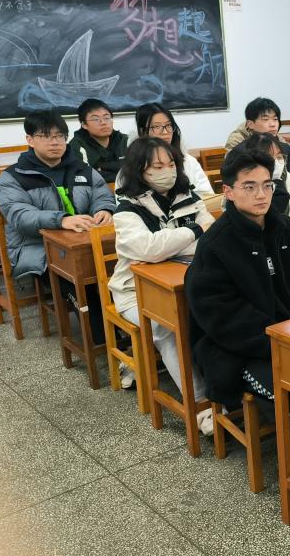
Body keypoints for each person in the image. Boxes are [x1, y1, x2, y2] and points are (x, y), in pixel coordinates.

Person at [184, 146, 290, 527]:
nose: (261, 195)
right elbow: (221, 318)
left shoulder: (288, 229)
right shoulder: (215, 246)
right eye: (249, 186)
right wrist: (281, 342)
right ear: (228, 191)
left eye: (267, 185)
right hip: (241, 350)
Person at [109, 137, 215, 433]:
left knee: (217, 313)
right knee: (165, 326)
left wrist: (173, 243)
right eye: (156, 166)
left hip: (186, 280)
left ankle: (225, 391)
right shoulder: (127, 208)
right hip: (134, 292)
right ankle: (201, 405)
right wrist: (193, 231)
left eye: (170, 164)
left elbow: (212, 236)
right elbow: (148, 248)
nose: (166, 171)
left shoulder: (188, 195)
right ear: (139, 170)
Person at [0, 109, 116, 343]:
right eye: (46, 136)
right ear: (30, 140)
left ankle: (132, 331)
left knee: (120, 269)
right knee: (79, 282)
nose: (55, 142)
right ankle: (106, 342)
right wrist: (61, 220)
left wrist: (104, 209)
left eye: (60, 136)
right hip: (39, 249)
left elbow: (102, 193)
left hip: (87, 241)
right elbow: (20, 216)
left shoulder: (82, 168)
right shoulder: (13, 177)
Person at [224, 97, 290, 184]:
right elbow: (236, 171)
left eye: (275, 119)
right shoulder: (238, 141)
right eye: (266, 119)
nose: (273, 124)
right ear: (250, 124)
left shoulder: (277, 139)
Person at [130, 102, 214, 195]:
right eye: (156, 126)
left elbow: (208, 195)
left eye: (168, 125)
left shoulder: (189, 161)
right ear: (142, 131)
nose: (165, 132)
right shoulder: (132, 165)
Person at [67, 98, 128, 183]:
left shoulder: (124, 140)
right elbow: (85, 177)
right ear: (84, 125)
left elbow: (137, 169)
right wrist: (123, 172)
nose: (103, 122)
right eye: (96, 119)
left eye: (106, 117)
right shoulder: (76, 146)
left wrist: (101, 167)